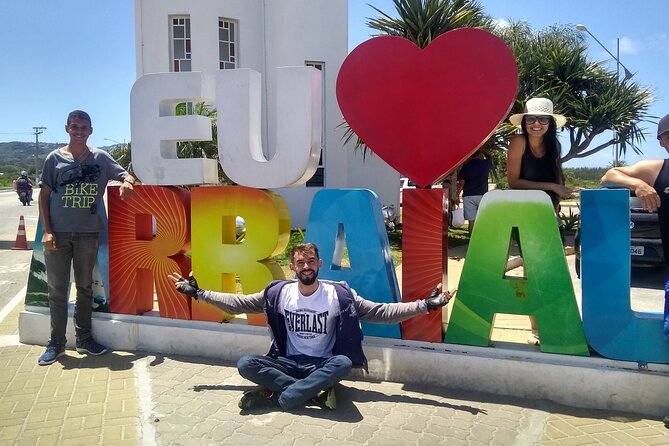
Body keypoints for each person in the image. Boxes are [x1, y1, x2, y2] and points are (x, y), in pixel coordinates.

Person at [168, 242, 451, 411]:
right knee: (245, 364)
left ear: (320, 264)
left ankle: (278, 395)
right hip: (286, 363)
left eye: (311, 261)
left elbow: (381, 311)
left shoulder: (339, 294)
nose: (306, 266)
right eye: (300, 262)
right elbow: (239, 303)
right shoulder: (278, 293)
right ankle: (310, 393)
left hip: (321, 365)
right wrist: (199, 293)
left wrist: (425, 305)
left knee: (342, 363)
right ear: (292, 267)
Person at [37, 110, 136, 366]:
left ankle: (84, 339)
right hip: (57, 235)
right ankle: (56, 344)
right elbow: (44, 196)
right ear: (67, 128)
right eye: (74, 126)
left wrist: (127, 182)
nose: (79, 131)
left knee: (85, 289)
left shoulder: (100, 158)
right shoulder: (54, 158)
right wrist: (47, 231)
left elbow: (125, 173)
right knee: (57, 291)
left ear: (90, 131)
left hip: (88, 235)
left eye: (84, 127)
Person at [506, 97, 578, 345]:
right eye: (532, 119)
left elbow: (557, 177)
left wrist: (559, 195)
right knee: (532, 271)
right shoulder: (518, 141)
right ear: (524, 121)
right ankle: (535, 328)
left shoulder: (554, 146)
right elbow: (514, 182)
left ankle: (552, 320)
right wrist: (551, 186)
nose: (537, 124)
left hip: (549, 213)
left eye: (543, 119)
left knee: (553, 270)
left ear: (550, 123)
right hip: (525, 214)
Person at [455, 149, 493, 235]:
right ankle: (482, 237)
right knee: (482, 218)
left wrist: (457, 195)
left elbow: (461, 184)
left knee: (471, 221)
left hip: (468, 196)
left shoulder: (466, 166)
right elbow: (490, 156)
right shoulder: (485, 164)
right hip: (482, 196)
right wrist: (482, 149)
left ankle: (471, 240)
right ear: (479, 154)